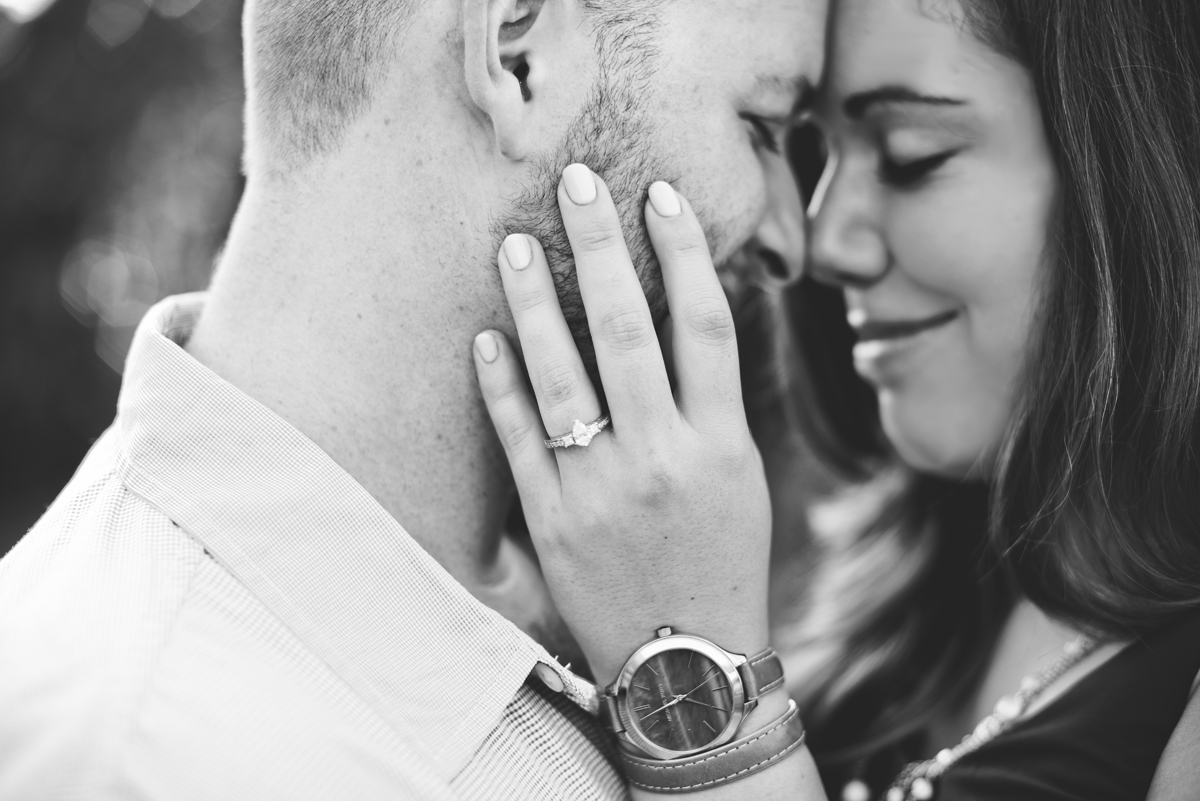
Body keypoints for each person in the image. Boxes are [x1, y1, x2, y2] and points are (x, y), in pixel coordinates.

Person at [0, 0, 826, 798]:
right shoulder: (131, 752)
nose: (793, 240)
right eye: (762, 125)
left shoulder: (613, 572)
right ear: (514, 55)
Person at [473, 0, 1200, 798]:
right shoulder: (886, 591)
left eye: (909, 154)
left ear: (1147, 167)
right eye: (814, 152)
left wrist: (694, 673)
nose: (825, 241)